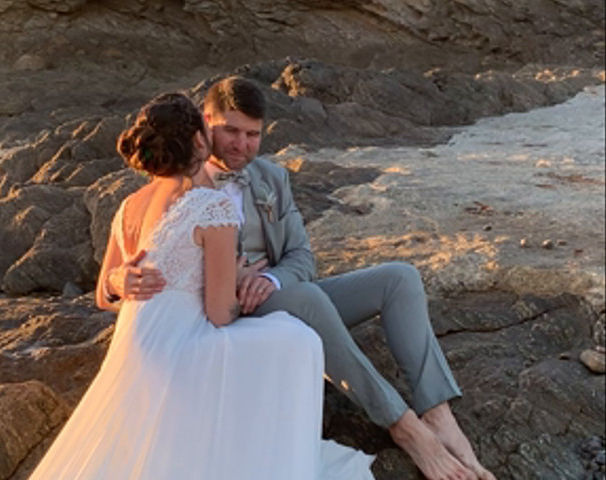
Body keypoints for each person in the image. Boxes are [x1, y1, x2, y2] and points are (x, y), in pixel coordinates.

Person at [105, 77, 497, 480]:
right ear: (206, 125)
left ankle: (438, 412)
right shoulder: (175, 183)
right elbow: (144, 260)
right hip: (222, 317)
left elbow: (301, 257)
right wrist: (119, 279)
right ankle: (405, 426)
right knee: (308, 300)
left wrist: (272, 281)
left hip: (279, 294)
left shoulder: (272, 178)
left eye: (253, 135)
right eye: (232, 131)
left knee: (400, 278)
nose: (242, 145)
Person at [30, 92, 374, 479]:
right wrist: (241, 279)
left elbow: (103, 297)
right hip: (182, 346)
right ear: (197, 140)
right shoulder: (211, 206)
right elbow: (219, 313)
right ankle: (262, 459)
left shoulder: (129, 205)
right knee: (298, 340)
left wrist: (115, 280)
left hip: (137, 342)